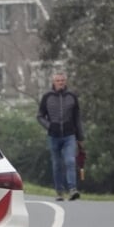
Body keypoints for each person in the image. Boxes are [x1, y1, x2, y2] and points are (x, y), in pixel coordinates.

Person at [37, 70, 84, 200]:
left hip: (69, 135)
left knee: (70, 161)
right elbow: (40, 116)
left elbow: (77, 118)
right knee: (57, 164)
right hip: (53, 136)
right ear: (53, 82)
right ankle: (59, 191)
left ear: (66, 81)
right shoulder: (47, 97)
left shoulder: (72, 96)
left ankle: (73, 189)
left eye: (62, 81)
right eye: (58, 81)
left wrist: (80, 138)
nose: (60, 83)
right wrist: (49, 125)